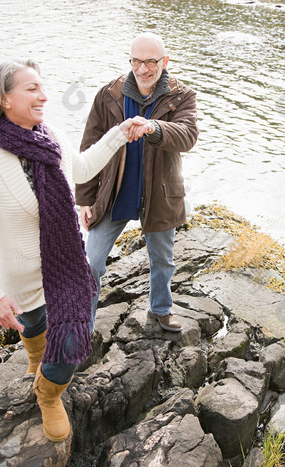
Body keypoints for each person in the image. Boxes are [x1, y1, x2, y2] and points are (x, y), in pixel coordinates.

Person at [0, 59, 151, 443]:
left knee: (72, 344)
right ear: (3, 99)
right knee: (35, 328)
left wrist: (119, 133)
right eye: (32, 89)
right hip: (20, 276)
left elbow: (80, 170)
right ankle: (34, 359)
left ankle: (47, 393)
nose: (44, 96)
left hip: (67, 269)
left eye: (43, 87)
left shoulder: (52, 137)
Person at [76, 33, 198, 332]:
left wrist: (153, 127)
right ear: (130, 61)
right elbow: (89, 148)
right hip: (114, 193)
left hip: (160, 194)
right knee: (90, 263)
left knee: (163, 261)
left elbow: (188, 136)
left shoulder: (182, 95)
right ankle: (84, 325)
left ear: (164, 62)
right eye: (136, 61)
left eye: (151, 62)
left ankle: (160, 311)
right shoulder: (109, 94)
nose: (143, 69)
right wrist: (84, 199)